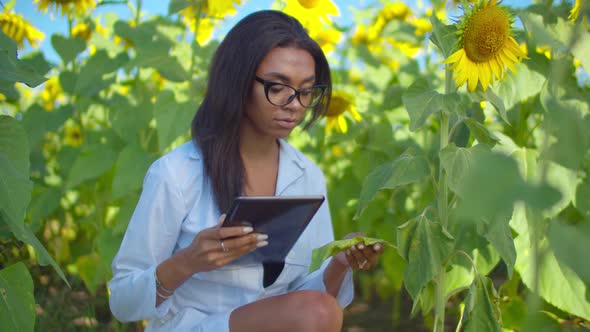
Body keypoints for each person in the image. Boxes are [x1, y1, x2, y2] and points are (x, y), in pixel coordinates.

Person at [109, 10, 384, 332]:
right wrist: (188, 262)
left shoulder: (307, 176)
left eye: (307, 91)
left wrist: (338, 264)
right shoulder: (177, 173)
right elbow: (122, 302)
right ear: (237, 82)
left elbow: (306, 306)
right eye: (277, 87)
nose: (294, 104)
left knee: (319, 310)